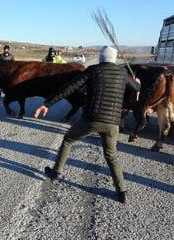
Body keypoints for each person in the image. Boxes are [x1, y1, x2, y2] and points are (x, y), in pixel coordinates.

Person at [34, 46, 141, 204]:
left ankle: (56, 174)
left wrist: (47, 104)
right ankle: (122, 191)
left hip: (91, 119)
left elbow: (69, 88)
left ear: (101, 57)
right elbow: (137, 88)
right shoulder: (123, 73)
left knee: (68, 140)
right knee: (111, 156)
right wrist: (137, 83)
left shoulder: (93, 70)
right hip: (112, 123)